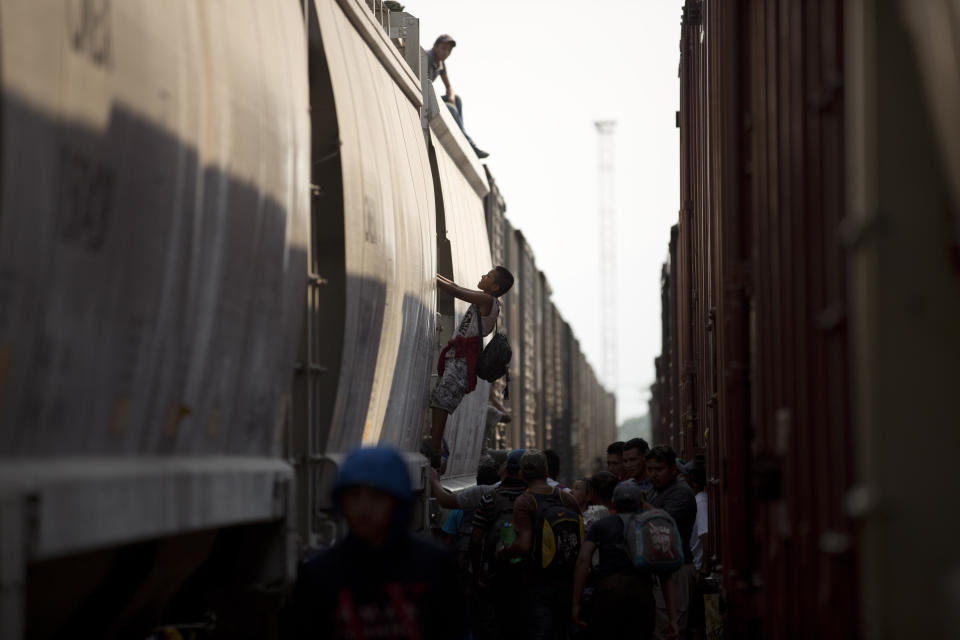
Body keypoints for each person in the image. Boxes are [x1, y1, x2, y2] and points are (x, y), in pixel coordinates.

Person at [286, 445, 467, 639]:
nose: (363, 507)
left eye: (376, 497)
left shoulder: (434, 566)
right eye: (354, 496)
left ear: (396, 502)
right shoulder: (318, 575)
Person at [425, 268, 515, 469]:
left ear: (495, 287)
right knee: (440, 400)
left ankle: (436, 446)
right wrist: (433, 272)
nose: (483, 276)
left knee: (441, 401)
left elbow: (456, 291)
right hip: (459, 357)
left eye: (488, 276)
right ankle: (436, 443)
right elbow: (455, 287)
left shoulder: (487, 300)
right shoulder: (486, 301)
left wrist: (430, 272)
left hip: (463, 361)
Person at [571, 482, 678, 640]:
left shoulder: (601, 526)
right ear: (640, 503)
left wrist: (576, 603)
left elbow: (583, 560)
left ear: (614, 503)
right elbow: (665, 575)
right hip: (641, 594)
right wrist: (672, 618)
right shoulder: (650, 527)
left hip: (608, 594)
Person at [499, 449, 582, 639]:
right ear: (546, 472)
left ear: (521, 474)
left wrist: (503, 552)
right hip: (567, 578)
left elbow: (524, 545)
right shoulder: (566, 498)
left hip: (538, 580)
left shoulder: (525, 501)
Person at [470, 449, 528, 640]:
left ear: (506, 470)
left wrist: (477, 571)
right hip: (527, 571)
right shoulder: (532, 499)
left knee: (497, 620)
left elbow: (476, 538)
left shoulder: (490, 496)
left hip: (496, 569)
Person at [645, 446, 697, 640]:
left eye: (658, 469)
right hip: (661, 571)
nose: (653, 475)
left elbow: (663, 524)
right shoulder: (654, 491)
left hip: (677, 571)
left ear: (673, 469)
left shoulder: (680, 493)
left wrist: (641, 507)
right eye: (649, 469)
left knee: (670, 630)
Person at [426, 34, 489, 158]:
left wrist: (451, 97)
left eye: (449, 50)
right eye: (443, 48)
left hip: (430, 94)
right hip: (425, 96)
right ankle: (470, 144)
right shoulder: (427, 57)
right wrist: (450, 104)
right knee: (451, 109)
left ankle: (463, 134)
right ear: (435, 47)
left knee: (457, 100)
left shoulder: (441, 64)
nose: (446, 52)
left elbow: (449, 87)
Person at [681, 461, 708, 640]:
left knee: (695, 620)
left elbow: (705, 535)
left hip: (698, 569)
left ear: (694, 482)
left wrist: (703, 568)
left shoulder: (700, 503)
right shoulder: (697, 500)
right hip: (697, 567)